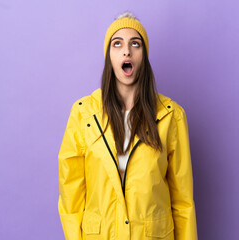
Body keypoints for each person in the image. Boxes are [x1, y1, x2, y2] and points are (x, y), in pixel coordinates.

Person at [58, 12, 198, 240]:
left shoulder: (171, 116)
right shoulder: (83, 114)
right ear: (109, 56)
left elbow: (183, 203)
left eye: (135, 44)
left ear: (144, 55)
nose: (127, 51)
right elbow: (70, 197)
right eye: (117, 44)